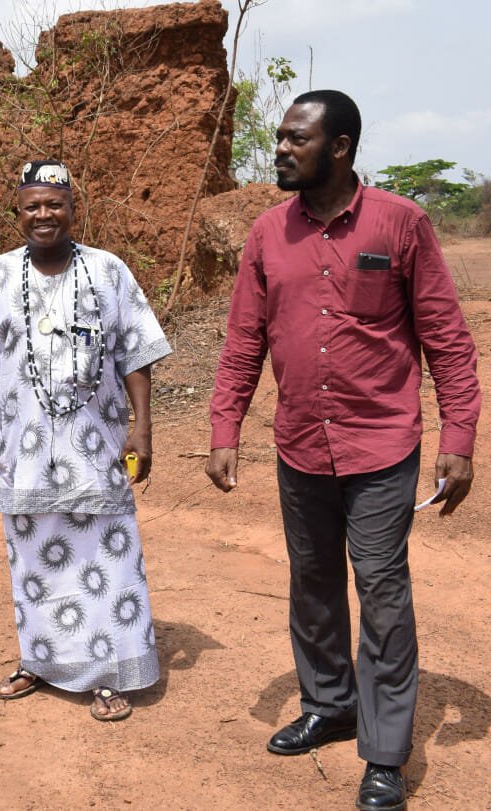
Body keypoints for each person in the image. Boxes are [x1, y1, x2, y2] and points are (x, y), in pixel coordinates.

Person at [206, 90, 481, 811]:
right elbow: (243, 340)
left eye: (297, 138)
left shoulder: (401, 222)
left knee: (383, 595)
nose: (281, 148)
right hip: (300, 445)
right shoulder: (267, 233)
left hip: (382, 445)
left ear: (341, 147)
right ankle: (329, 702)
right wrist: (224, 426)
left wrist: (459, 439)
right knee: (314, 582)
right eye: (282, 137)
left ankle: (385, 750)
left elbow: (447, 340)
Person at [0, 159, 172, 721]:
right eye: (32, 206)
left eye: (55, 203)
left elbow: (135, 353)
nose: (44, 214)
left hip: (95, 443)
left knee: (104, 552)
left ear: (73, 207)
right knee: (33, 555)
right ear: (17, 213)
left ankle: (107, 671)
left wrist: (141, 425)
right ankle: (41, 660)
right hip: (24, 447)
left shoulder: (109, 270)